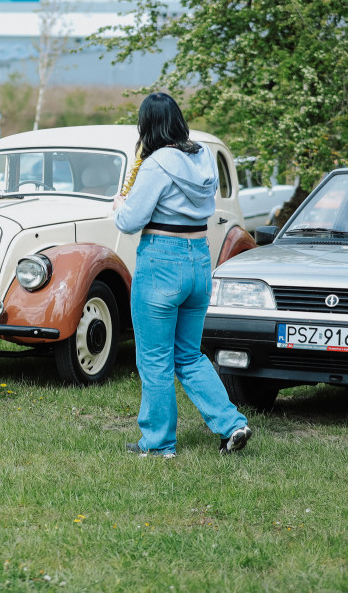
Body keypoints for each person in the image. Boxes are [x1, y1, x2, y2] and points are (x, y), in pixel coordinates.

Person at [112, 92, 252, 458]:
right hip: (198, 261)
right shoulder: (202, 155)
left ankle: (158, 444)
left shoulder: (156, 164)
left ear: (148, 126)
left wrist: (119, 205)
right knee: (189, 355)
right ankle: (232, 424)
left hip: (161, 261)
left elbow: (129, 222)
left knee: (155, 358)